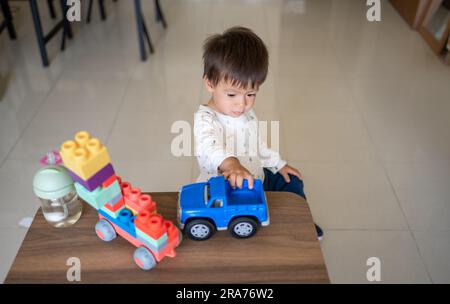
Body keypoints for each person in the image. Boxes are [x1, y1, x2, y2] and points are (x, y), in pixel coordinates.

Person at [194, 26, 323, 240]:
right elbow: (209, 147)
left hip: (256, 174)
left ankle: (301, 221)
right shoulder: (206, 119)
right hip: (227, 185)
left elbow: (257, 144)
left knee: (291, 182)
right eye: (232, 94)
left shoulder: (245, 112)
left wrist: (278, 163)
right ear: (210, 83)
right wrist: (231, 165)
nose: (242, 104)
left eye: (251, 94)